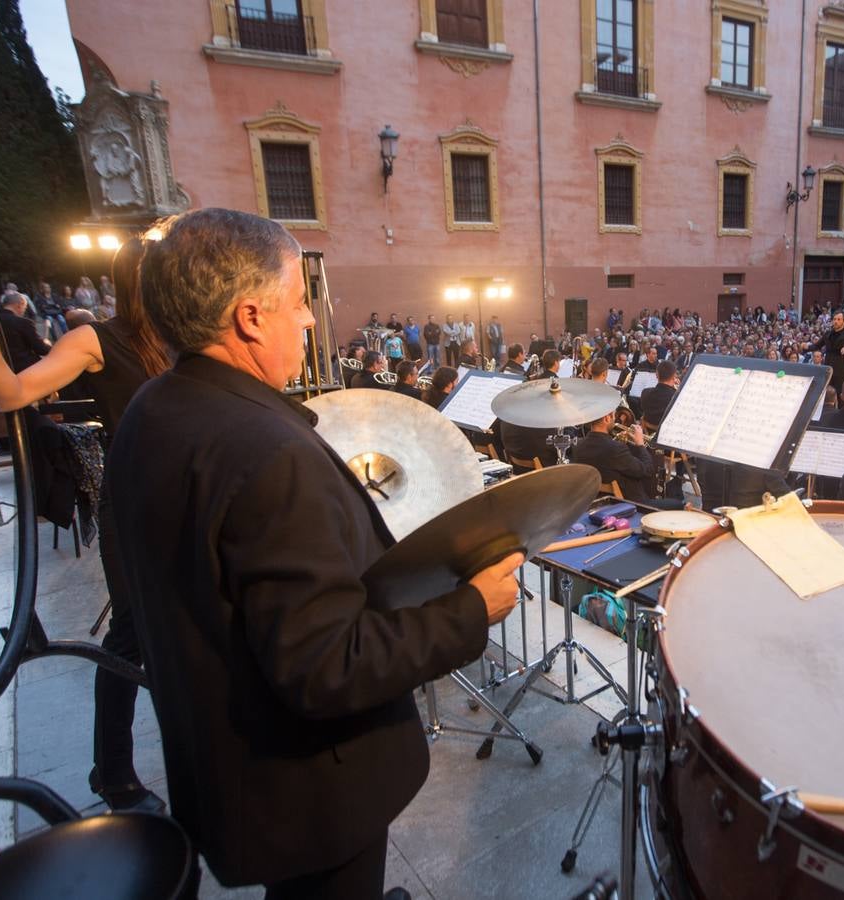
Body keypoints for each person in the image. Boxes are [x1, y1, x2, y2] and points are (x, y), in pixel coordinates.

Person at [107, 208, 523, 897]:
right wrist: (472, 609)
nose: (308, 321)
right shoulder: (268, 454)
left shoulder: (151, 411)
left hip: (230, 771)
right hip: (310, 792)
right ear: (249, 317)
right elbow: (327, 666)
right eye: (299, 303)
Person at [0, 238, 172, 814]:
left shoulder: (184, 336)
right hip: (136, 498)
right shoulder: (97, 338)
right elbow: (14, 391)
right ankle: (113, 772)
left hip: (187, 496)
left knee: (184, 629)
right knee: (132, 636)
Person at [570, 411, 662, 503]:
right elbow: (647, 470)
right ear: (607, 418)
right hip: (632, 504)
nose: (615, 420)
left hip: (601, 499)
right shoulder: (615, 448)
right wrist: (640, 443)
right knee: (676, 503)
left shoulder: (579, 445)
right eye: (614, 416)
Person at [0, 290, 51, 372]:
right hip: (26, 368)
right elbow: (41, 349)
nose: (24, 311)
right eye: (25, 308)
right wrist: (47, 344)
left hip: (1, 369)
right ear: (19, 305)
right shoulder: (23, 322)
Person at [809, 312, 844, 379]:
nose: (836, 321)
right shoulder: (827, 334)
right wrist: (807, 347)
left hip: (841, 371)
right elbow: (817, 346)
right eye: (834, 319)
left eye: (839, 319)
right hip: (828, 369)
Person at [639, 360, 679, 429]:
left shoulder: (645, 392)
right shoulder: (677, 397)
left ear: (656, 375)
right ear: (674, 376)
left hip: (647, 431)